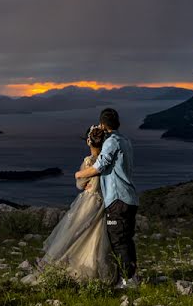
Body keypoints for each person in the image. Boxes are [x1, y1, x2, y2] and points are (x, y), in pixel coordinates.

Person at [36, 125, 115, 282]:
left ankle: (77, 269)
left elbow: (80, 184)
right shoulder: (108, 161)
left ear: (88, 142)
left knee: (77, 233)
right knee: (97, 237)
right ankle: (96, 270)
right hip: (104, 201)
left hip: (89, 201)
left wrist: (81, 179)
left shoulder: (89, 161)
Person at [74, 107, 140, 288]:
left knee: (118, 240)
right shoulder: (125, 140)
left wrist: (78, 175)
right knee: (126, 239)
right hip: (130, 197)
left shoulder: (112, 141)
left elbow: (99, 166)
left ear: (103, 124)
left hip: (117, 198)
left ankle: (127, 280)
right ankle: (133, 276)